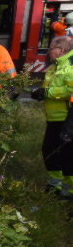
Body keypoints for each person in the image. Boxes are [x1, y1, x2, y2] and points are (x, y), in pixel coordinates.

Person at [32, 36, 73, 198]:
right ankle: (55, 184)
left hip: (67, 119)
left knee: (67, 156)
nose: (49, 53)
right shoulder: (53, 68)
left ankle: (69, 191)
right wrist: (40, 94)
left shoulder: (70, 67)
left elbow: (70, 92)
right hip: (53, 118)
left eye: (51, 49)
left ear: (62, 50)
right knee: (49, 151)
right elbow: (48, 89)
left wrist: (48, 93)